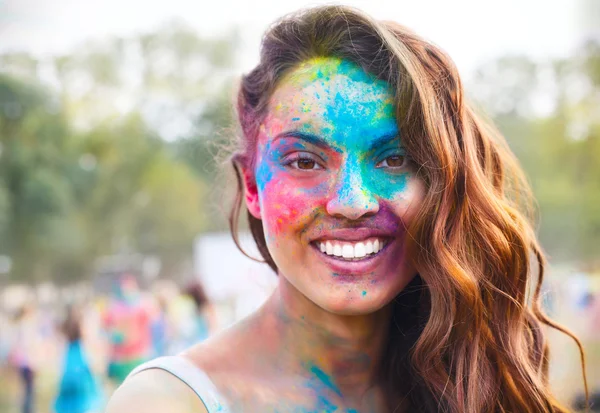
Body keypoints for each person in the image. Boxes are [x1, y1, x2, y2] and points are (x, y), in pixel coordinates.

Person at [107, 5, 587, 413]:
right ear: (252, 186)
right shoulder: (167, 402)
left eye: (393, 158)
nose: (353, 202)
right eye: (305, 161)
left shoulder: (471, 382)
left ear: (440, 185)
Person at [103, 273, 153, 385]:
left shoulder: (141, 306)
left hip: (137, 356)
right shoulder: (114, 308)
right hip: (124, 359)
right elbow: (107, 331)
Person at [53, 303, 104, 413]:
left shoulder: (67, 345)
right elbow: (92, 363)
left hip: (69, 372)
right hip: (83, 379)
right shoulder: (83, 344)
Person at [8, 301, 41, 413]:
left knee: (26, 388)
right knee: (29, 390)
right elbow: (29, 346)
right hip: (27, 362)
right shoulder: (27, 326)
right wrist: (34, 362)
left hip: (23, 361)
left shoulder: (20, 325)